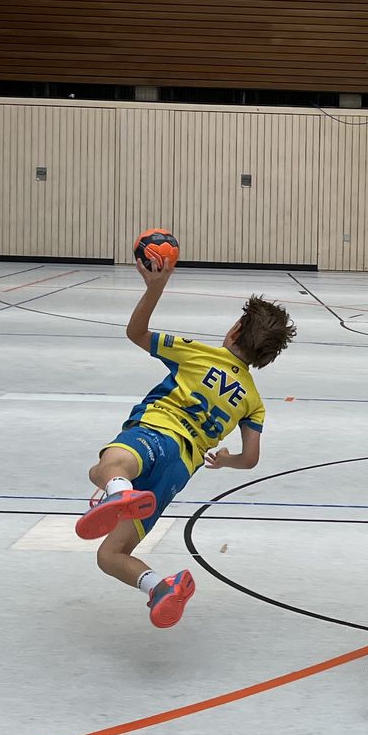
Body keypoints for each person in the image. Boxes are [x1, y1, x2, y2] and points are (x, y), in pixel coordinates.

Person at [75, 257, 297, 628]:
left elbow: (136, 332)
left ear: (235, 330)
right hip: (177, 471)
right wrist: (225, 460)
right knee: (111, 553)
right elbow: (251, 459)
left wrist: (155, 287)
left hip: (156, 433)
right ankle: (160, 587)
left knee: (104, 468)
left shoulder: (197, 353)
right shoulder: (253, 401)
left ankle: (119, 492)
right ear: (266, 358)